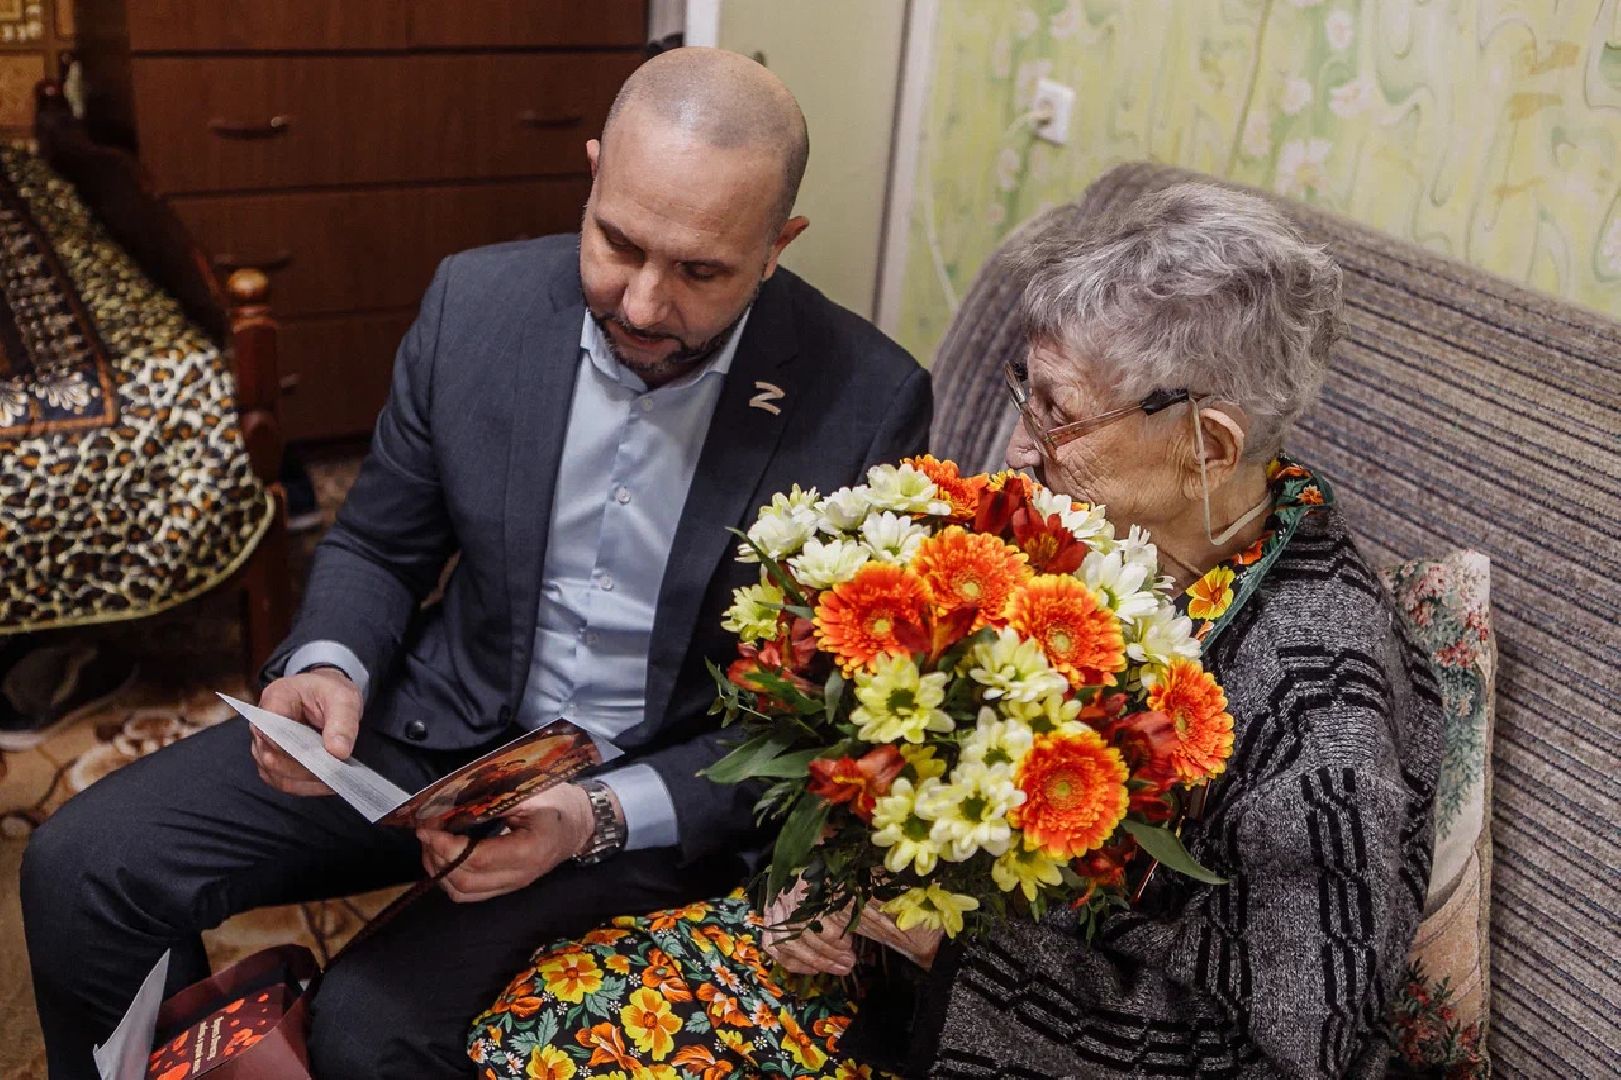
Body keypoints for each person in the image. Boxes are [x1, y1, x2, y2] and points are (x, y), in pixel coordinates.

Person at [20, 47, 931, 1078]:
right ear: (591, 175)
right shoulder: (476, 305)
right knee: (84, 870)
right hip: (436, 731)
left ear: (777, 247)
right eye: (618, 242)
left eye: (700, 271)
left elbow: (807, 727)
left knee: (371, 1033)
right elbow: (376, 540)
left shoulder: (866, 401)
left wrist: (589, 818)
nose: (639, 304)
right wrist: (328, 664)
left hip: (644, 790)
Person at [467, 182, 1443, 1078]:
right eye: (1028, 389)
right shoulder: (1091, 540)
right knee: (547, 1011)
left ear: (1208, 447)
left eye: (1057, 413)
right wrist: (829, 872)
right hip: (876, 974)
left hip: (1007, 1043)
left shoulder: (1317, 695)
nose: (1019, 443)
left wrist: (940, 945)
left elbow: (1291, 1057)